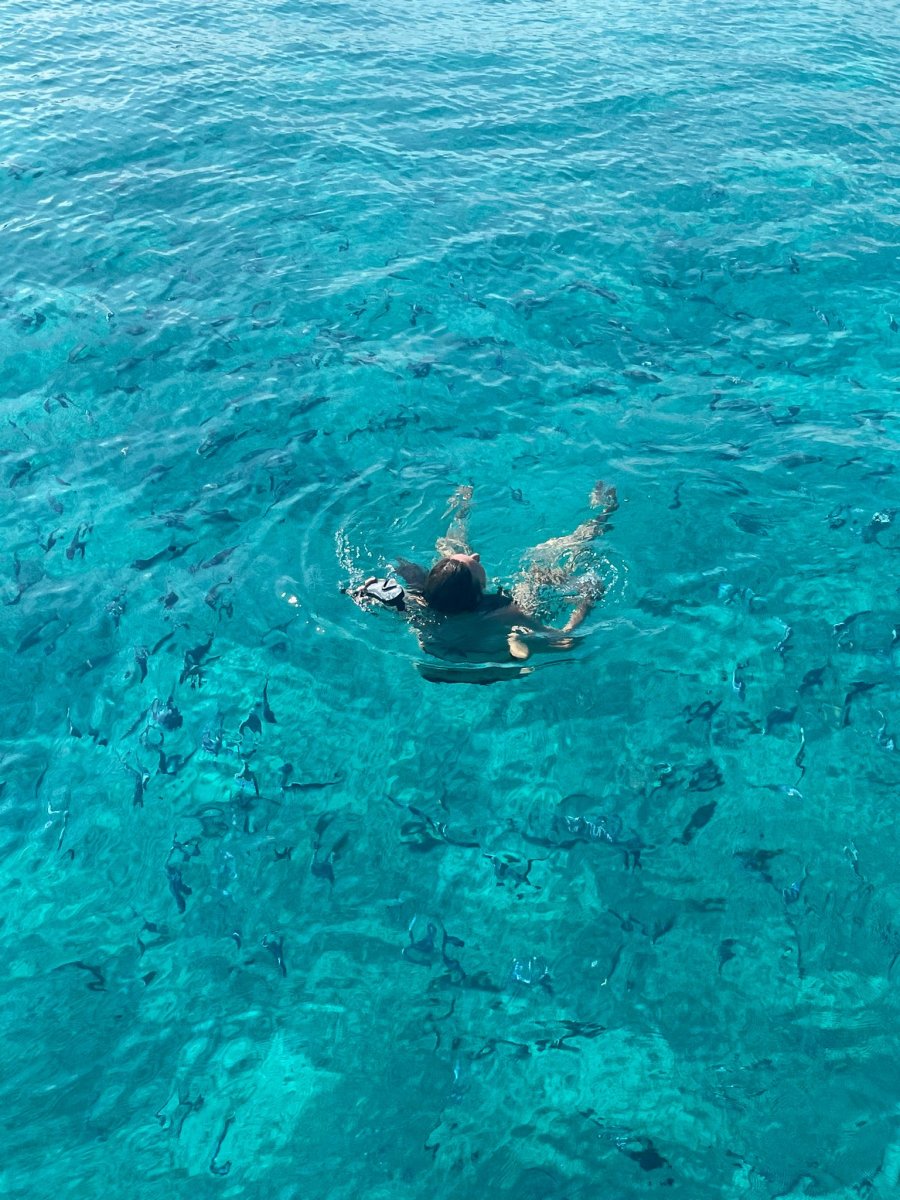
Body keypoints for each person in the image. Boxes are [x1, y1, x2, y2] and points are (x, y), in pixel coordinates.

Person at [363, 482, 617, 678]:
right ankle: (606, 511)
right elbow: (566, 641)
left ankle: (462, 509)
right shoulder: (509, 612)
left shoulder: (423, 604)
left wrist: (415, 583)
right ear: (481, 591)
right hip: (502, 644)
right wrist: (587, 601)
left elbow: (377, 598)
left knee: (449, 551)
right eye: (476, 565)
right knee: (544, 565)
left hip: (450, 644)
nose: (476, 555)